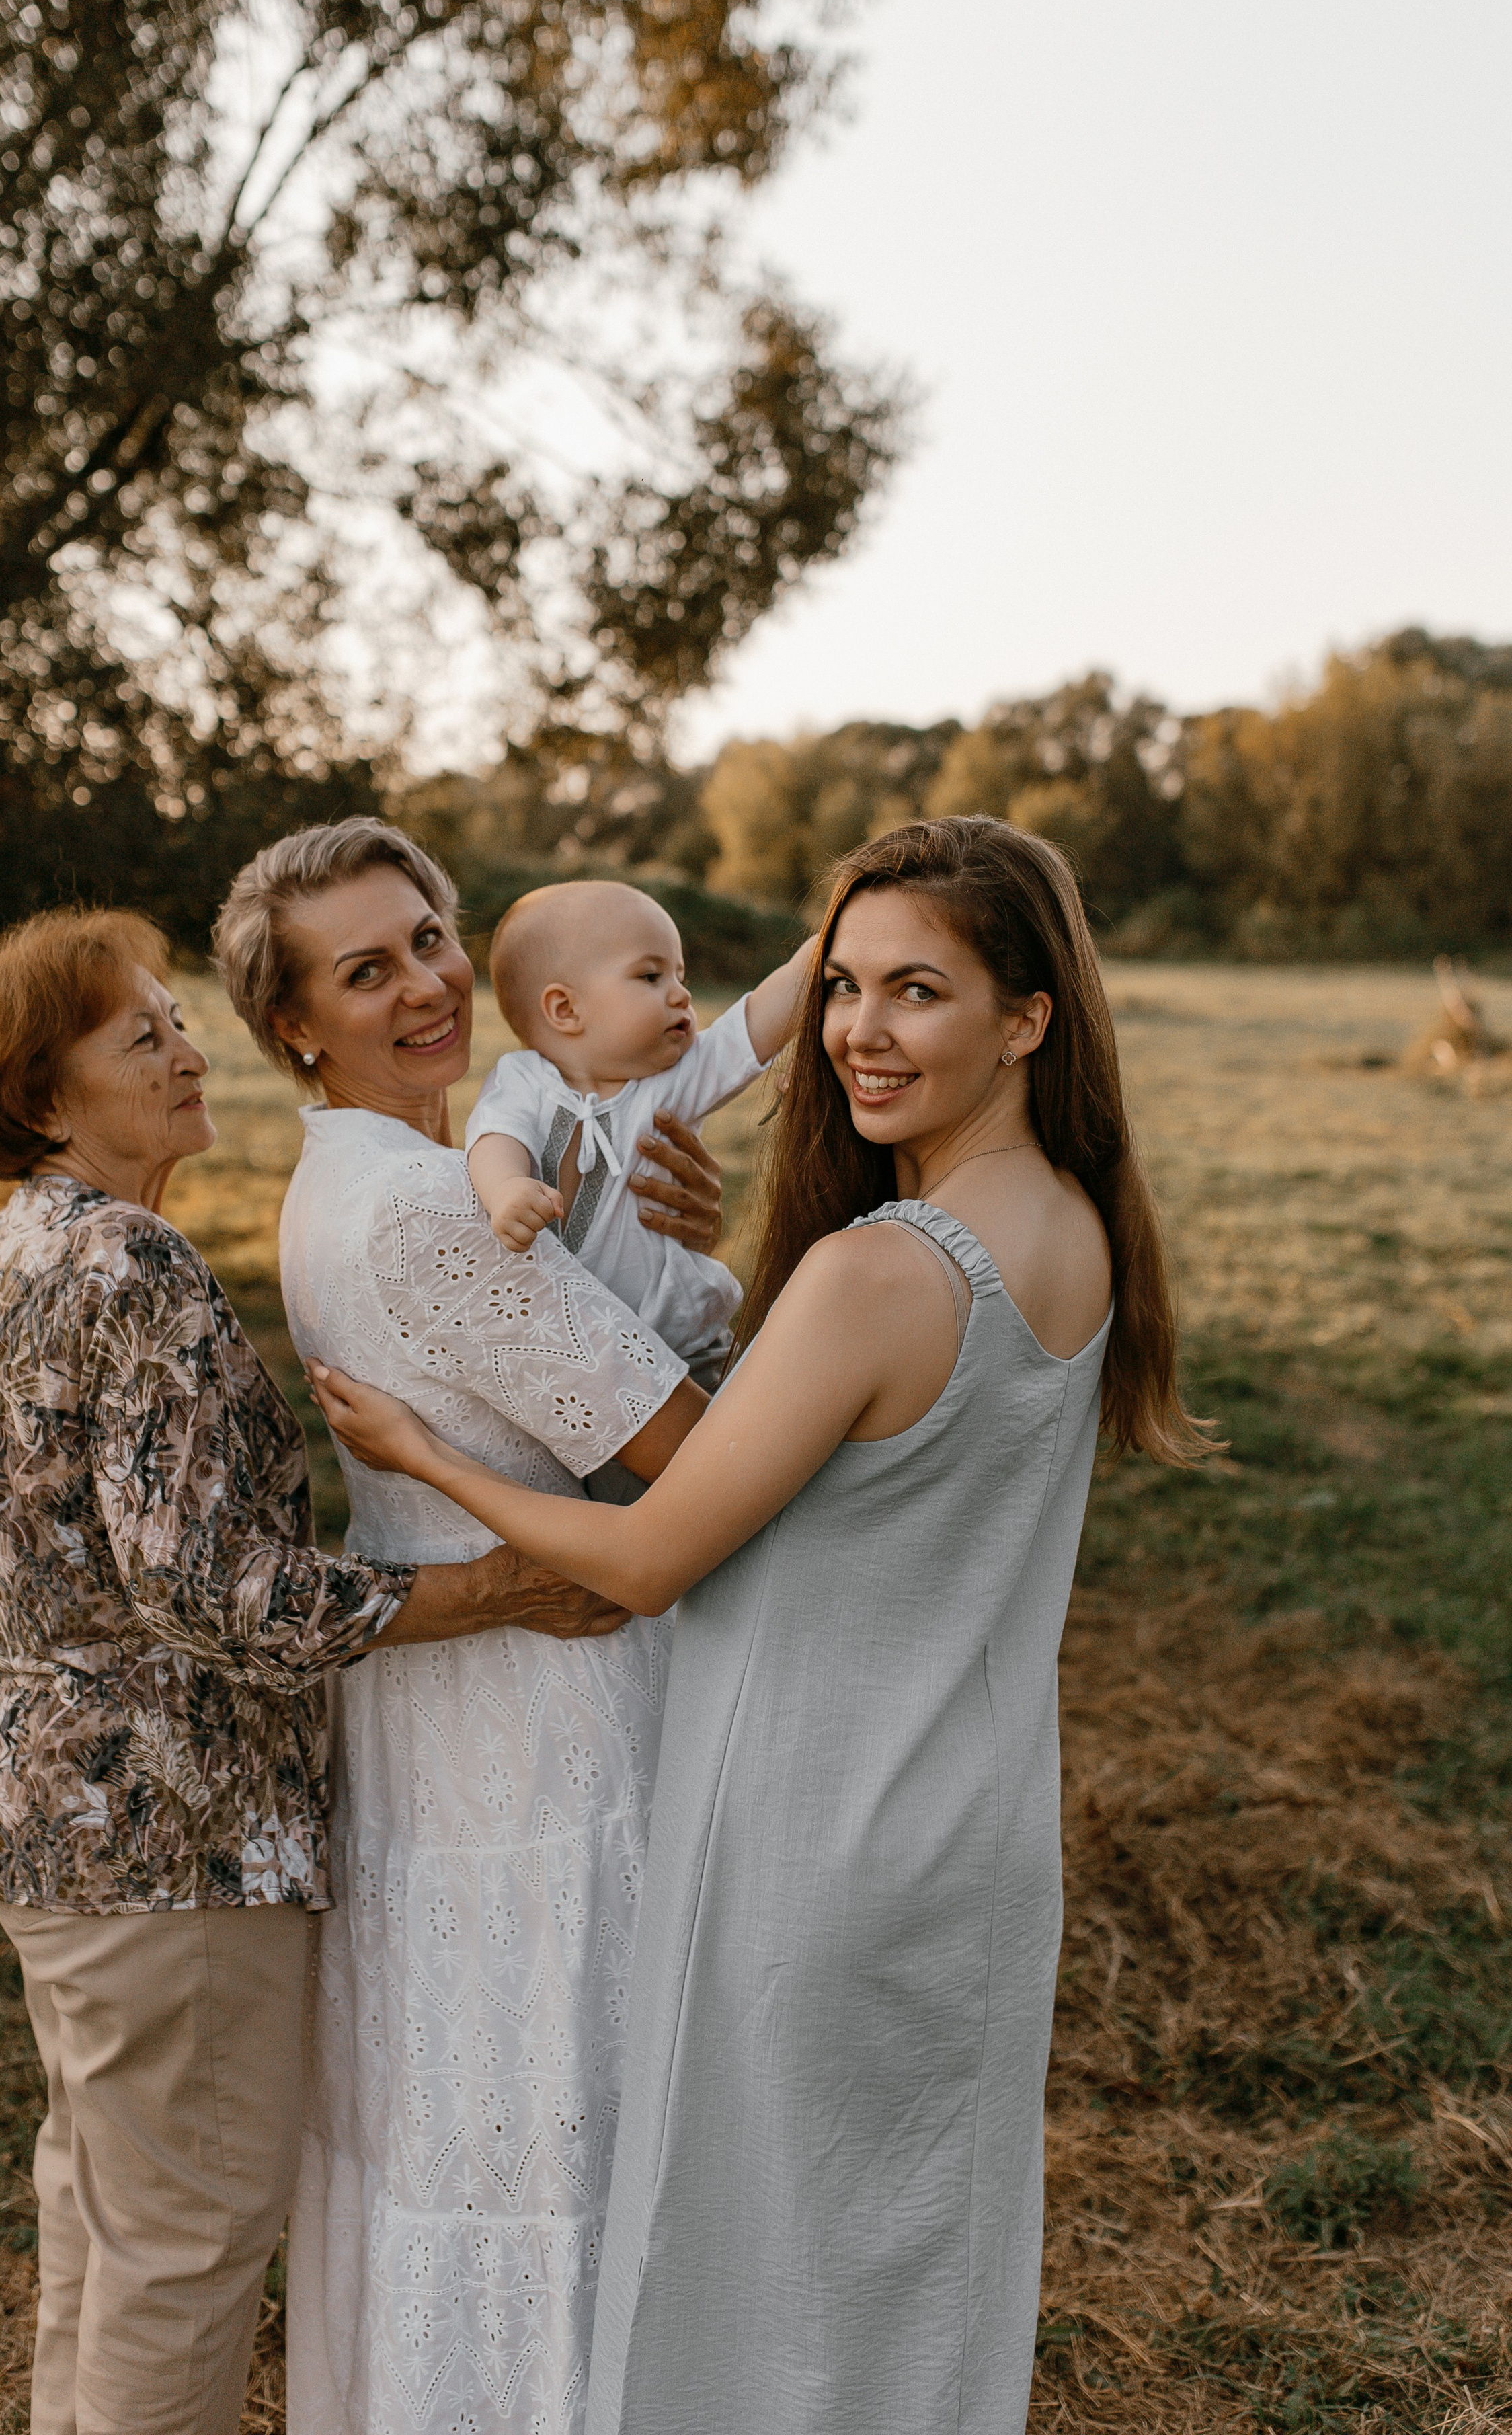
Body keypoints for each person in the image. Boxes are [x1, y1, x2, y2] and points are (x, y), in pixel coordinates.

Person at [306, 816, 1215, 2435]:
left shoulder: (878, 1270)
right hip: (973, 1838)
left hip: (813, 1840)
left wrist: (424, 1455)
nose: (858, 1029)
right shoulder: (1077, 1228)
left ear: (1025, 1015)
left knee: (757, 2301)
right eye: (845, 983)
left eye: (917, 990)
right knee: (912, 2286)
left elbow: (654, 1550)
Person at [0, 906, 625, 2435]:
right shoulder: (128, 1260)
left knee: (106, 2216)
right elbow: (206, 1586)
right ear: (48, 1098)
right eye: (142, 1037)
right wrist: (489, 1585)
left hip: (51, 1812)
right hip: (157, 1834)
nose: (188, 1053)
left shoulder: (36, 1239)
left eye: (178, 1018)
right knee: (183, 2242)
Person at [209, 820, 735, 2435]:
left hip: (442, 1715)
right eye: (367, 969)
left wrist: (672, 1251)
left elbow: (590, 1355)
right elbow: (690, 1455)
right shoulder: (428, 1208)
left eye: (429, 935)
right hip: (540, 1712)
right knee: (548, 2122)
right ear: (296, 1024)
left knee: (457, 2126)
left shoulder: (360, 1180)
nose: (432, 981)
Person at [465, 880, 812, 1387]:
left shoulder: (673, 1081)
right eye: (651, 975)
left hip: (679, 1350)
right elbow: (496, 1138)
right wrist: (506, 1189)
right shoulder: (523, 1080)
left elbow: (759, 1018)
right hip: (568, 1353)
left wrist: (837, 936)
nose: (682, 993)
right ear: (565, 1009)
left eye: (680, 974)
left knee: (702, 1461)